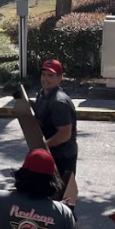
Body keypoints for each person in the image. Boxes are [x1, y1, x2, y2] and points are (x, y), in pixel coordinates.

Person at [33, 58, 78, 209]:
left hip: (62, 157)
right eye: (44, 74)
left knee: (63, 200)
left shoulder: (59, 103)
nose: (46, 79)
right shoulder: (42, 94)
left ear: (60, 78)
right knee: (47, 199)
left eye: (51, 76)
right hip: (49, 155)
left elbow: (65, 134)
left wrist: (42, 146)